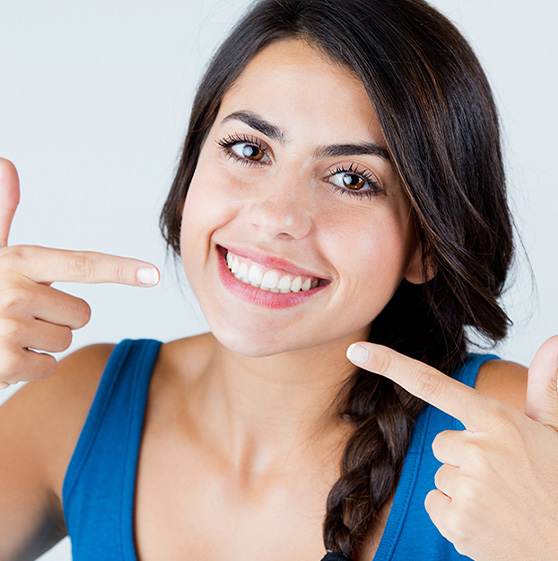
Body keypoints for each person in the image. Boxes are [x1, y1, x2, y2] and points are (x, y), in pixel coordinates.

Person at [0, 0, 557, 560]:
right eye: (249, 149)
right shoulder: (80, 406)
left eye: (352, 179)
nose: (277, 216)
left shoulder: (513, 435)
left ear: (428, 244)